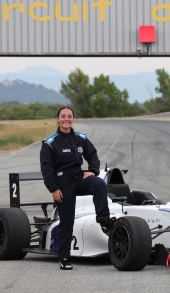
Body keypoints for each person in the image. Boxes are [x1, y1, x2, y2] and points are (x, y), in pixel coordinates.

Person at [40, 106, 116, 270]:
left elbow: (93, 155)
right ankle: (64, 258)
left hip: (79, 176)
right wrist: (53, 189)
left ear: (72, 119)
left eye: (69, 116)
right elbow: (46, 170)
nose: (66, 119)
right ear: (58, 119)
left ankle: (103, 221)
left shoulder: (80, 138)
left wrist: (93, 171)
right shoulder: (49, 143)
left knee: (98, 183)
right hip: (62, 182)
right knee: (67, 221)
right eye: (63, 116)